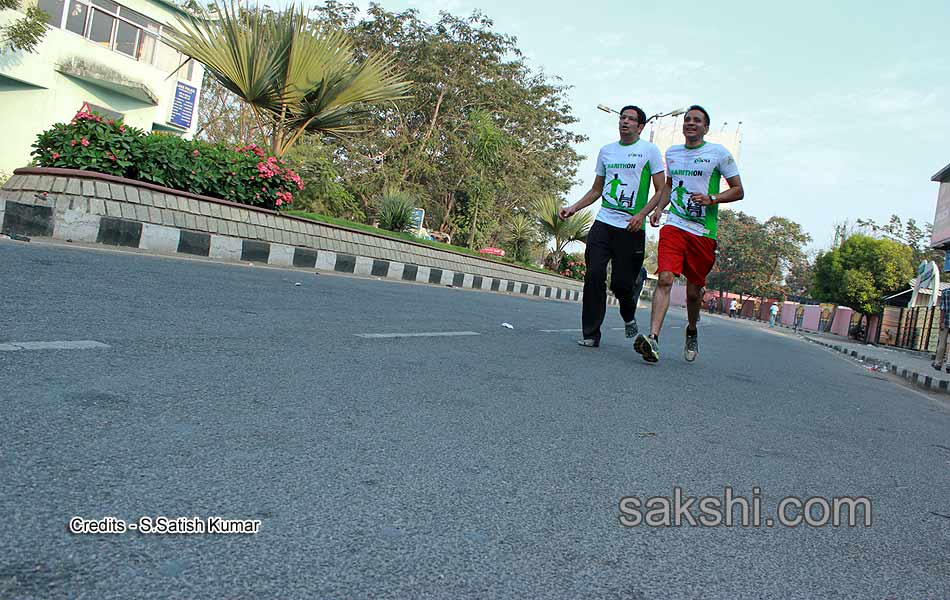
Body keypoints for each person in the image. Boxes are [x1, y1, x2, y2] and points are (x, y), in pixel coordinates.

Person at [632, 105, 744, 363]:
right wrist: (660, 208)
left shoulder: (719, 154)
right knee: (665, 279)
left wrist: (712, 198)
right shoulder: (672, 153)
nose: (690, 123)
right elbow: (670, 185)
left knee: (694, 293)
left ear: (705, 127)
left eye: (696, 120)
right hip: (675, 225)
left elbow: (738, 190)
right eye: (687, 120)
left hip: (703, 232)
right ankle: (654, 339)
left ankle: (691, 330)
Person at [559, 105, 666, 348]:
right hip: (604, 222)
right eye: (622, 117)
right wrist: (573, 207)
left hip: (631, 227)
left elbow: (661, 189)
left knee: (620, 285)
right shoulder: (606, 151)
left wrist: (642, 214)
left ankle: (629, 314)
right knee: (594, 274)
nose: (624, 122)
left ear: (640, 127)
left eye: (631, 119)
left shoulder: (649, 151)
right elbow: (597, 189)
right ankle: (591, 333)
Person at [933, 287, 950, 371]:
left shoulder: (945, 292)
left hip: (945, 321)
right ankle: (949, 365)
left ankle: (938, 363)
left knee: (942, 343)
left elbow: (942, 308)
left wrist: (941, 322)